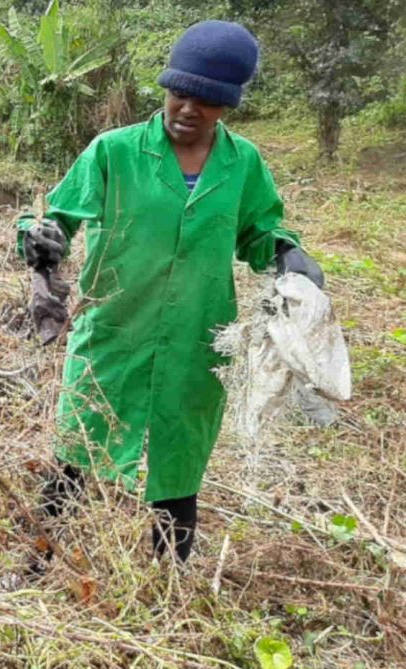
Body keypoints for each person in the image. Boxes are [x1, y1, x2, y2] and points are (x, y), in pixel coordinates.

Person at [16, 21, 324, 563]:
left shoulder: (242, 163)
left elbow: (259, 231)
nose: (187, 109)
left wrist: (286, 254)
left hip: (196, 336)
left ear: (227, 105)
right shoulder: (114, 151)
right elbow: (59, 216)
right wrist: (43, 237)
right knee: (78, 451)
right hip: (114, 330)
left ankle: (171, 577)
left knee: (180, 461)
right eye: (179, 93)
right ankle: (39, 561)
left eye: (205, 101)